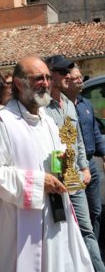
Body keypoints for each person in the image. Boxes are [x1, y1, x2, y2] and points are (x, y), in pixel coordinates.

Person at [0, 55, 94, 272]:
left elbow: (56, 157)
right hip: (22, 220)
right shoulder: (2, 123)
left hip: (56, 213)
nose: (45, 83)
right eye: (37, 78)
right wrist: (39, 181)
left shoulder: (48, 121)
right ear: (18, 83)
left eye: (47, 77)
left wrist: (63, 166)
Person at [45, 55, 105, 272]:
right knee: (60, 233)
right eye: (62, 72)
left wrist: (84, 166)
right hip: (54, 180)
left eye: (67, 72)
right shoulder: (41, 108)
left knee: (86, 229)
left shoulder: (69, 104)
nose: (67, 76)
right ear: (50, 74)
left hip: (75, 178)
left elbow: (78, 138)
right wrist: (57, 175)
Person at [62, 64, 105, 240]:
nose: (81, 81)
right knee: (79, 213)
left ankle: (93, 246)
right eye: (77, 78)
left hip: (89, 165)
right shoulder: (61, 107)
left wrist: (103, 155)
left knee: (96, 210)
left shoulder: (85, 103)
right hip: (72, 167)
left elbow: (95, 131)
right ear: (66, 81)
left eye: (81, 77)